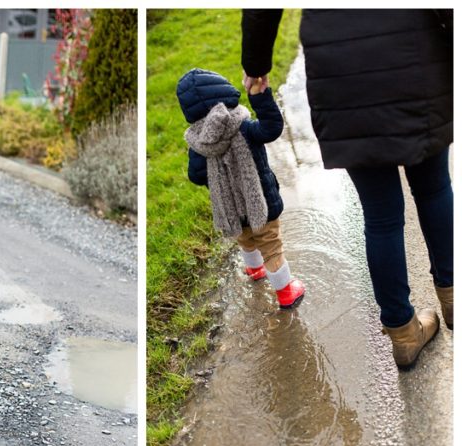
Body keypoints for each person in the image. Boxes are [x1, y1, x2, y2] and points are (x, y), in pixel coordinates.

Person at [242, 9, 453, 369]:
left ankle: (403, 334)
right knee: (433, 189)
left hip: (338, 65)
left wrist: (256, 63)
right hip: (412, 45)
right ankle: (453, 299)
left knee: (381, 215)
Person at [177, 68, 305, 309]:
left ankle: (255, 270)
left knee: (245, 239)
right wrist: (260, 96)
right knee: (271, 245)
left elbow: (196, 176)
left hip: (232, 209)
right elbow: (272, 128)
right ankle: (287, 292)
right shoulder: (243, 127)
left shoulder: (199, 143)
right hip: (262, 204)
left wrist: (222, 182)